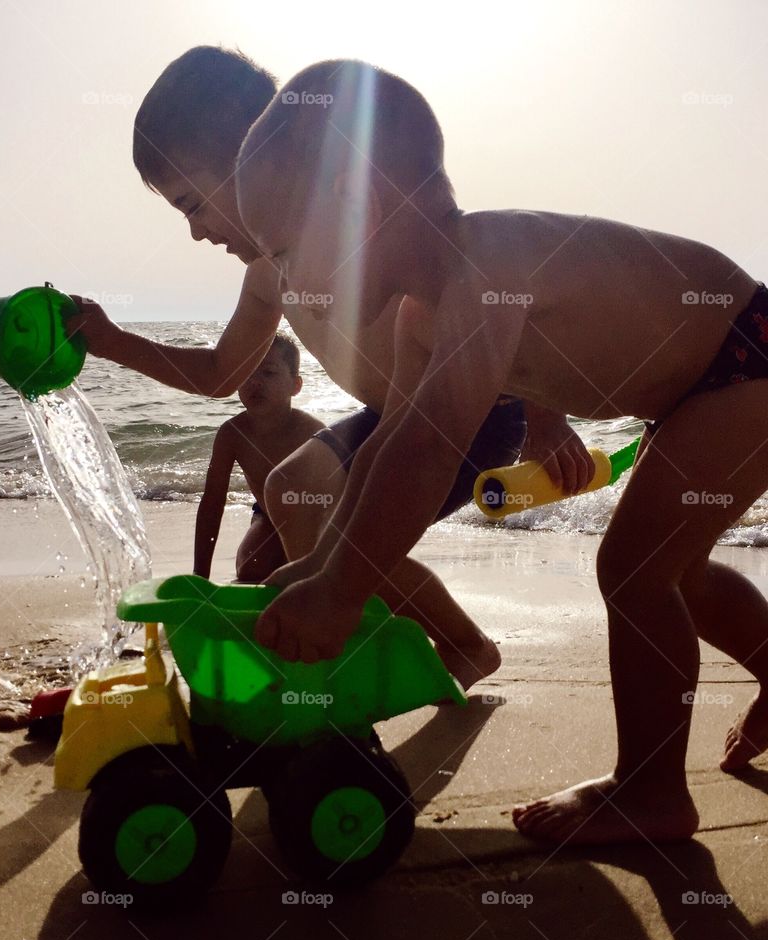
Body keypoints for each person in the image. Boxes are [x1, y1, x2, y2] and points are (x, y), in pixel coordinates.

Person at [235, 57, 768, 845]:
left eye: (281, 251)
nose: (282, 277)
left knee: (634, 569)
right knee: (675, 569)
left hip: (745, 360)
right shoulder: (423, 314)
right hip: (696, 389)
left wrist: (343, 590)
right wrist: (323, 568)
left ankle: (652, 792)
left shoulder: (489, 262)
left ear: (359, 204)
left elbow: (428, 448)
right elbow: (391, 448)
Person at [67, 47, 592, 690]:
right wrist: (113, 342)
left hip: (471, 410)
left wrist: (548, 416)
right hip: (390, 414)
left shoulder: (366, 232)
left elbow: (492, 293)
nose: (197, 232)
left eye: (192, 204)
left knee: (342, 527)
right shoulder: (269, 275)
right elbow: (215, 375)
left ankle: (394, 641)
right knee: (295, 494)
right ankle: (396, 638)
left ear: (254, 154)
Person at [194, 333, 323, 582]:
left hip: (315, 518)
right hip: (268, 516)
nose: (254, 382)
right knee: (252, 568)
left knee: (308, 573)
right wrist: (200, 578)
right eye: (246, 372)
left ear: (296, 385)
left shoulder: (312, 432)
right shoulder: (232, 434)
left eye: (269, 373)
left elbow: (341, 498)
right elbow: (212, 502)